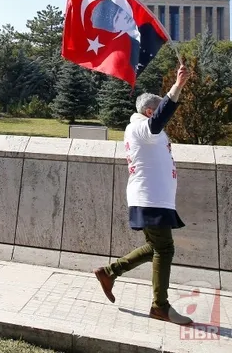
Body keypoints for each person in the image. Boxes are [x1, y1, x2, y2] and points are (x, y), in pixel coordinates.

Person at [94, 64, 192, 326]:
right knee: (165, 248)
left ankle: (110, 272)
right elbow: (160, 119)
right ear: (150, 111)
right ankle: (160, 306)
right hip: (151, 198)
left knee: (155, 247)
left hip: (154, 197)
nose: (163, 116)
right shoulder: (142, 128)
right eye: (157, 111)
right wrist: (178, 85)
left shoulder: (143, 129)